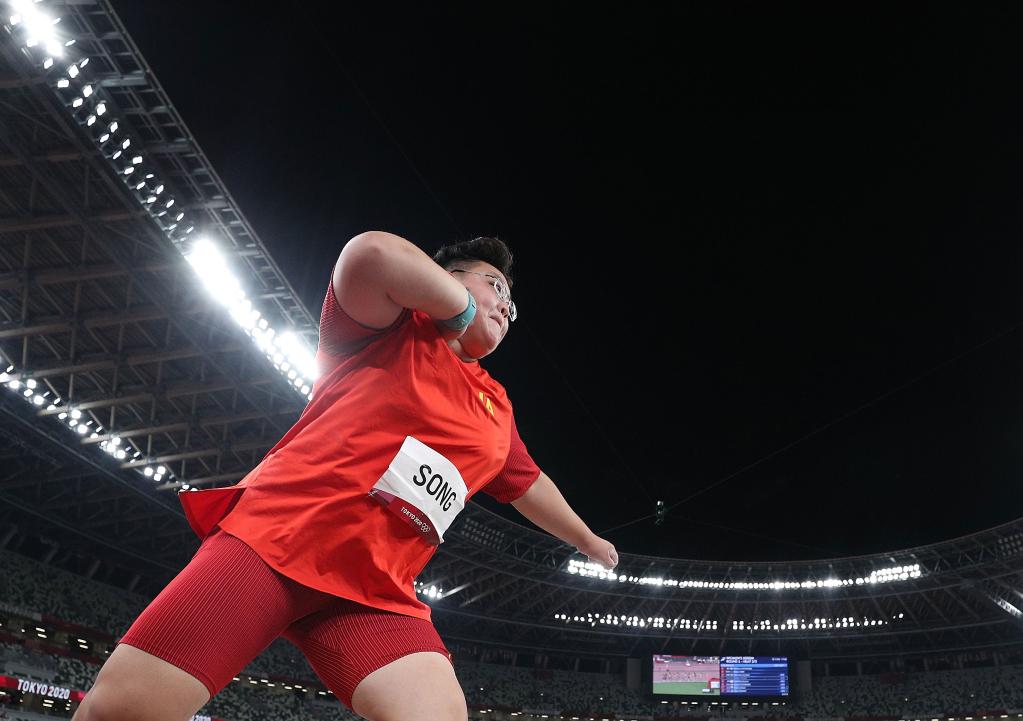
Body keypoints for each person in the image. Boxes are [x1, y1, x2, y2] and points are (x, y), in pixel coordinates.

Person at [73, 230, 619, 721]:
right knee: (122, 712)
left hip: (375, 592)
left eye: (510, 303)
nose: (504, 305)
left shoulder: (496, 407)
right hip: (276, 543)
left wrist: (588, 540)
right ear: (447, 279)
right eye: (493, 286)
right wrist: (458, 311)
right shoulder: (388, 327)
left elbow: (526, 481)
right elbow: (370, 254)